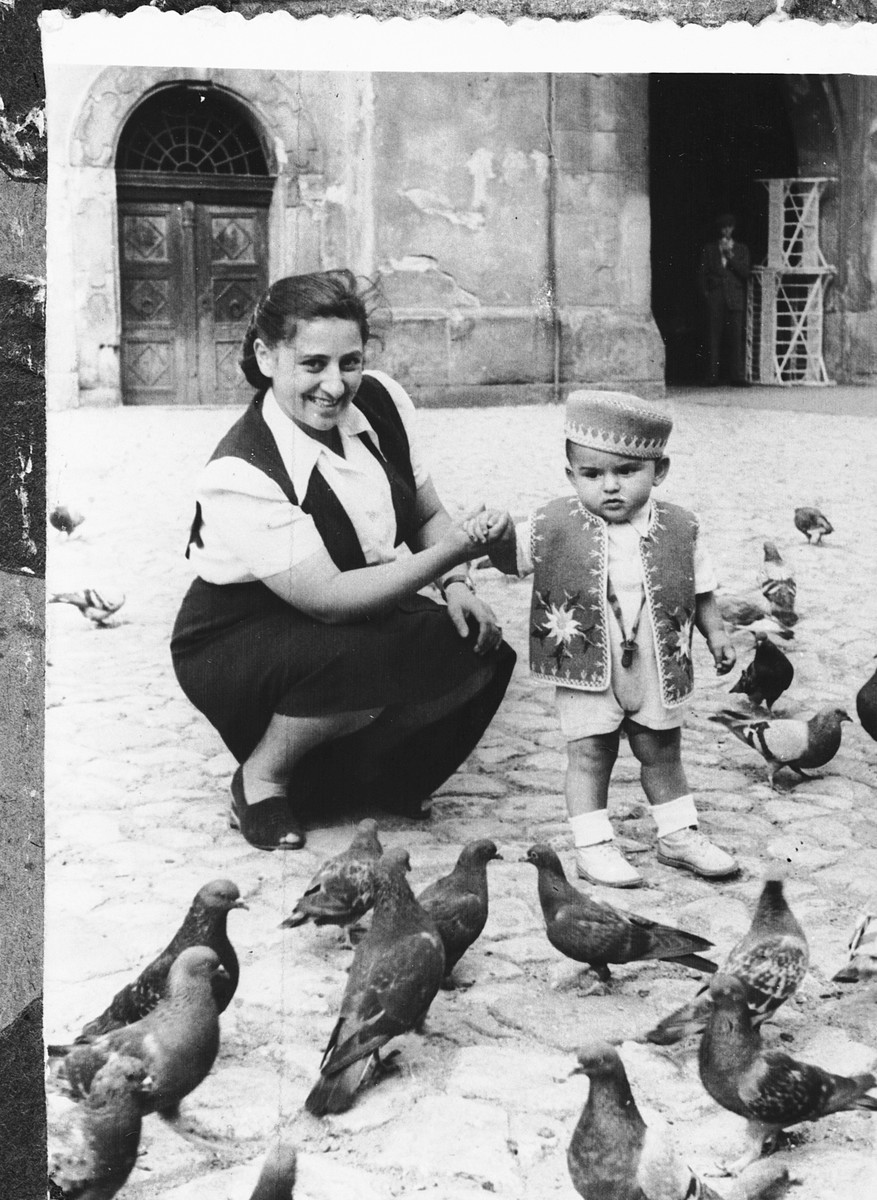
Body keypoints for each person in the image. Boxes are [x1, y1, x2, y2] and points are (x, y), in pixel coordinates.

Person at [171, 270, 515, 852]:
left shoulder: (381, 401)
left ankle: (367, 779)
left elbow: (426, 513)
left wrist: (457, 583)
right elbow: (329, 601)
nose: (335, 385)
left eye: (349, 362)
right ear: (267, 355)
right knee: (371, 657)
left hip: (349, 609)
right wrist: (458, 550)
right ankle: (262, 779)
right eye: (312, 365)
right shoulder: (241, 470)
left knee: (479, 650)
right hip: (241, 635)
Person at [467, 390, 739, 888]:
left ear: (659, 471)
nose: (609, 487)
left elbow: (700, 589)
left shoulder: (681, 527)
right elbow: (512, 563)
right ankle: (593, 844)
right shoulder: (552, 523)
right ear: (572, 476)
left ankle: (678, 833)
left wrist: (716, 632)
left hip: (656, 657)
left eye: (627, 472)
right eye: (592, 475)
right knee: (591, 752)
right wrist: (502, 535)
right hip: (585, 659)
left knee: (662, 747)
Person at [698, 212, 751, 386]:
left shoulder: (741, 249)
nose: (726, 231)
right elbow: (702, 274)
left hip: (735, 298)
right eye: (723, 228)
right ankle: (712, 376)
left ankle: (737, 376)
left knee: (736, 337)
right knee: (713, 337)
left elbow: (745, 272)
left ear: (733, 229)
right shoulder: (710, 249)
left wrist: (731, 257)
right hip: (716, 297)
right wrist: (707, 294)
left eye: (728, 227)